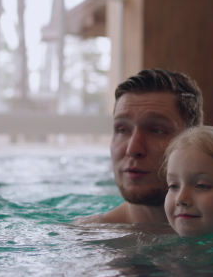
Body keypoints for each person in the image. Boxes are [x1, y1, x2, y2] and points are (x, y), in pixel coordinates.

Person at [75, 68, 203, 225]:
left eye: (156, 130)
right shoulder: (89, 239)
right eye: (123, 130)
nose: (133, 149)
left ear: (195, 139)